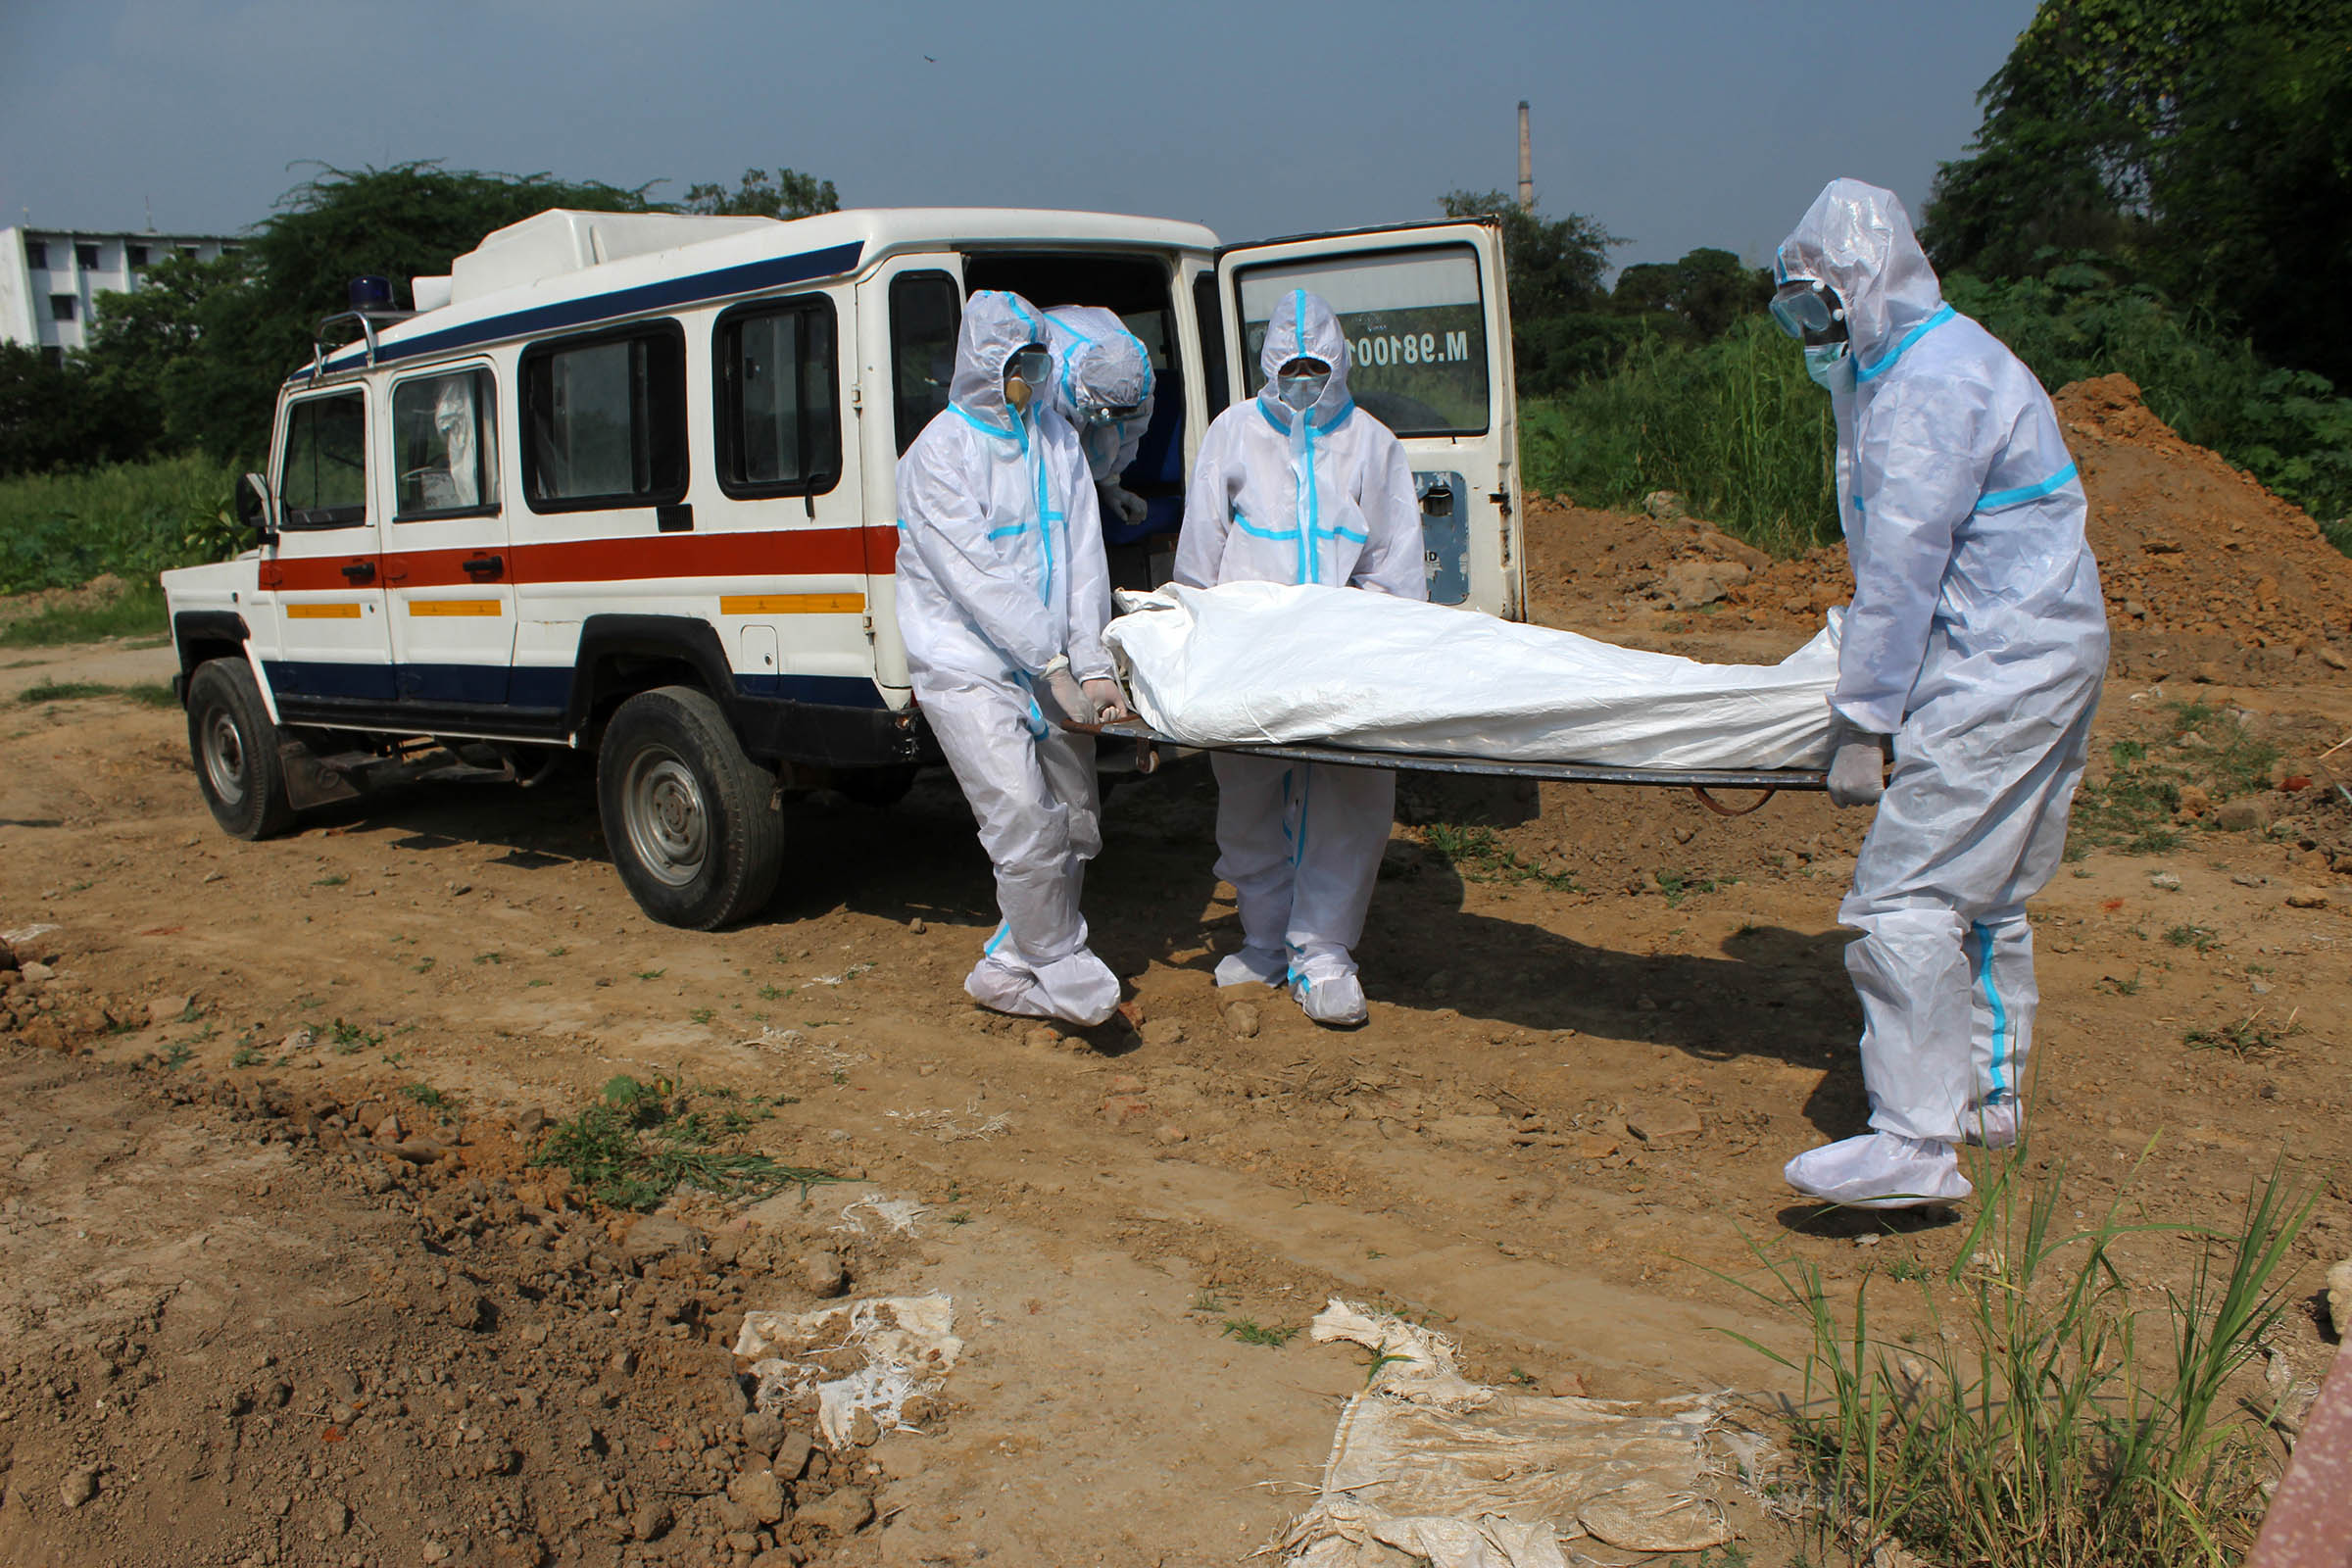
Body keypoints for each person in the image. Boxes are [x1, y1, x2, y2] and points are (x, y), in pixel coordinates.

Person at [1769, 178, 2108, 1207]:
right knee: (1991, 888)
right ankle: (1985, 1097)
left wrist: (1863, 720)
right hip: (2046, 648)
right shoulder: (1927, 363)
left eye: (1816, 305)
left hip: (1997, 665)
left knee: (1905, 896)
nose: (1807, 329)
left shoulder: (1925, 389)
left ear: (1863, 286)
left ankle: (1914, 1141)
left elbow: (1906, 568)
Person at [1174, 289, 1425, 1027]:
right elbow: (1201, 551)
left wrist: (1369, 642)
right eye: (1292, 366)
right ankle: (1261, 937)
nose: (1304, 380)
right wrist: (1200, 641)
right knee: (1247, 794)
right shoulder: (1233, 434)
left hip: (1345, 657)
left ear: (1338, 365)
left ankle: (1323, 952)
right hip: (1252, 656)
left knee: (1348, 800)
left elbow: (1396, 562)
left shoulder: (1373, 444)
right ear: (1270, 365)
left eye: (1317, 366)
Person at [896, 290, 1134, 1027]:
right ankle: (1059, 960)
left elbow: (1082, 560)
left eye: (1036, 361)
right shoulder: (939, 452)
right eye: (1014, 362)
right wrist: (1052, 664)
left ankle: (1005, 967)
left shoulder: (1057, 439)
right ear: (981, 364)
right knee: (1024, 818)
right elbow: (978, 578)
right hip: (966, 665)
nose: (1027, 375)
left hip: (1052, 659)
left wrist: (1092, 664)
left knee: (1077, 823)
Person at [1042, 304, 1156, 529]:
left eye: (1122, 413)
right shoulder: (1049, 376)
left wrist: (1111, 485)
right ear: (1084, 391)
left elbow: (1128, 431)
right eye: (1106, 411)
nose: (1113, 421)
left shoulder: (1136, 380)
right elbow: (1043, 447)